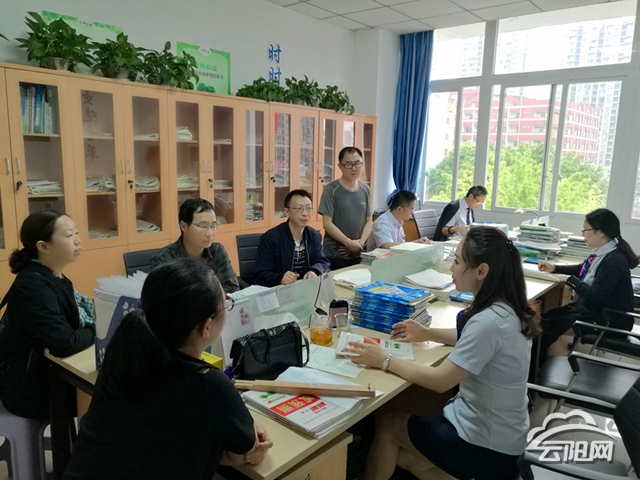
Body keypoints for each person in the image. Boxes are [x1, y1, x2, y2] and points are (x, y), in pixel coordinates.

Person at [345, 227, 540, 480]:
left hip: (484, 443)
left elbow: (440, 381)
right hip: (505, 435)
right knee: (401, 457)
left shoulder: (489, 322)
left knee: (389, 425)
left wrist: (384, 359)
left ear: (481, 271)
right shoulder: (507, 306)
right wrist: (427, 333)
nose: (451, 268)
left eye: (457, 262)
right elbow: (472, 339)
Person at [62, 258, 273, 479]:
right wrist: (233, 445)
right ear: (206, 326)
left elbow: (149, 439)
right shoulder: (208, 382)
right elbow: (247, 446)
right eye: (227, 304)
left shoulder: (124, 354)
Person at [0, 211, 96, 419]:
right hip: (30, 388)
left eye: (77, 233)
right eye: (69, 235)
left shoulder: (52, 275)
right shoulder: (33, 285)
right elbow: (65, 343)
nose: (78, 240)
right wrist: (98, 329)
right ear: (43, 247)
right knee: (113, 395)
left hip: (48, 373)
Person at [535, 208, 638, 366]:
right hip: (595, 310)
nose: (583, 234)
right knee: (547, 319)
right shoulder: (606, 251)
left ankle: (545, 371)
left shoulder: (613, 260)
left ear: (600, 232)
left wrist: (569, 280)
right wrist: (555, 268)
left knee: (548, 326)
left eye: (585, 230)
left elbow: (596, 295)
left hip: (607, 319)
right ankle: (547, 369)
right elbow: (582, 268)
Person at [150, 198, 239, 293]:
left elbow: (233, 288)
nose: (210, 233)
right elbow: (165, 299)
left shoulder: (217, 250)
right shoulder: (163, 260)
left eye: (213, 226)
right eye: (203, 226)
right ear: (183, 226)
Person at [253, 189, 330, 287]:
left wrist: (314, 271)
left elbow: (323, 262)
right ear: (287, 212)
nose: (305, 213)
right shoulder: (271, 238)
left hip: (306, 288)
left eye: (309, 208)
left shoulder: (314, 236)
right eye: (299, 208)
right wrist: (280, 278)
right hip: (280, 289)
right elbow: (260, 275)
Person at [318, 146, 373, 270]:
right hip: (336, 255)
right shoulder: (331, 190)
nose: (354, 168)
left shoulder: (365, 189)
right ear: (340, 166)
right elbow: (327, 223)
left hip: (359, 253)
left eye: (357, 163)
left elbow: (369, 220)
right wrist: (348, 243)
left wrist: (359, 243)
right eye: (348, 164)